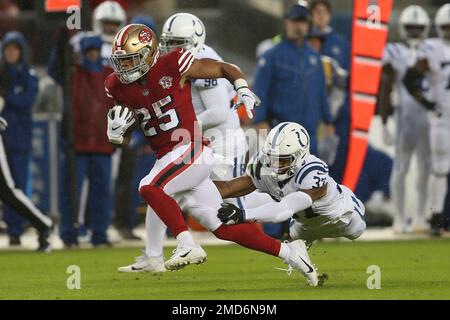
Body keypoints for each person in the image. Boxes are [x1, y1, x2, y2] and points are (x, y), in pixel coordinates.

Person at [105, 24, 319, 286]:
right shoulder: (116, 85)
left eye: (131, 60)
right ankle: (291, 253)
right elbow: (124, 131)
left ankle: (185, 244)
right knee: (220, 225)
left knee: (149, 186)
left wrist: (242, 88)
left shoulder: (174, 63)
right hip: (169, 156)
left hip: (192, 148)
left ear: (149, 55)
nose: (125, 68)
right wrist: (115, 133)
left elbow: (224, 68)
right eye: (122, 61)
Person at [120, 13, 251, 272]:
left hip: (221, 143)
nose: (172, 48)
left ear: (196, 40)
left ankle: (285, 215)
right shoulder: (170, 62)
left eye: (179, 42)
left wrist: (176, 131)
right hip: (193, 141)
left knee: (231, 212)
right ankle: (153, 256)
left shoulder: (201, 61)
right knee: (160, 191)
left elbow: (218, 112)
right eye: (168, 42)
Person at [215, 122, 366, 249]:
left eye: (283, 160)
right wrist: (195, 188)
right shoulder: (262, 164)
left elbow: (285, 209)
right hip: (304, 225)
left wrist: (243, 215)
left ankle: (353, 202)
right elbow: (228, 188)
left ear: (300, 156)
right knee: (293, 246)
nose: (276, 165)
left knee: (358, 231)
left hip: (340, 217)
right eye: (272, 158)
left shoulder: (312, 171)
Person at [252, 3, 334, 155]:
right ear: (286, 22)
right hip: (281, 132)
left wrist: (329, 122)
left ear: (308, 24)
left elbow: (321, 92)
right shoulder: (272, 55)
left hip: (310, 134)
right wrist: (260, 121)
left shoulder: (315, 57)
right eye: (295, 21)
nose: (298, 26)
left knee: (310, 176)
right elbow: (260, 90)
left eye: (302, 21)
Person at [379, 5, 431, 234]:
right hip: (404, 116)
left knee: (426, 169)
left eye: (418, 28)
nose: (414, 32)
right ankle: (399, 218)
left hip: (429, 118)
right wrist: (383, 120)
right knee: (400, 168)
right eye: (410, 28)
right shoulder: (393, 50)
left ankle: (420, 217)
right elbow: (386, 84)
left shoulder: (434, 49)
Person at [58, 35, 114, 247]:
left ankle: (99, 234)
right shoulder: (72, 74)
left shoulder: (109, 76)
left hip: (102, 143)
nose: (92, 54)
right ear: (82, 52)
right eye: (88, 50)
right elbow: (57, 67)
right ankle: (68, 235)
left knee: (101, 194)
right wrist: (60, 39)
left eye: (94, 50)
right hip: (77, 144)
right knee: (70, 194)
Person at [0, 31, 52, 251]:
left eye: (15, 48)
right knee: (9, 189)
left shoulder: (23, 74)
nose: (11, 53)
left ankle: (40, 225)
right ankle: (41, 225)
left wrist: (6, 100)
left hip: (17, 138)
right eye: (7, 48)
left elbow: (24, 100)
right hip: (7, 134)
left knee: (11, 189)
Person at [403, 3, 450, 236]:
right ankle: (436, 218)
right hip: (443, 118)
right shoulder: (431, 48)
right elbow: (410, 79)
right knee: (440, 169)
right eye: (446, 27)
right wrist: (429, 103)